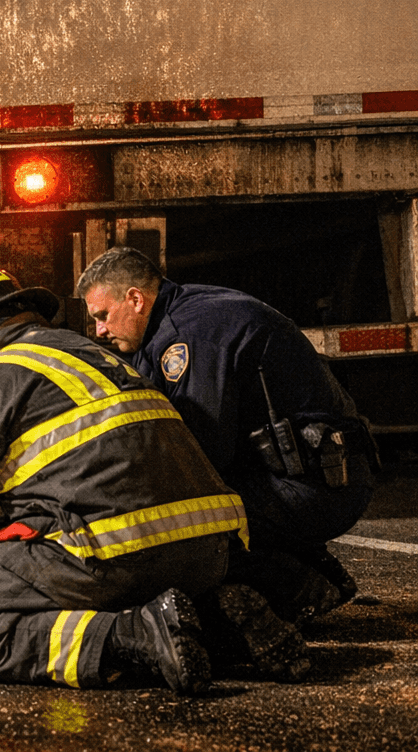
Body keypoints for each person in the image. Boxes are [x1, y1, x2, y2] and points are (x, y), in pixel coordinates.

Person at [0, 266, 253, 694]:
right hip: (209, 549)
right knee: (139, 585)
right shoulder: (98, 355)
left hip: (113, 552)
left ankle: (132, 636)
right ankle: (218, 623)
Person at [76, 246, 377, 623]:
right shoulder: (172, 321)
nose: (100, 330)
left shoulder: (189, 336)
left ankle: (295, 586)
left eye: (103, 316)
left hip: (317, 487)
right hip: (311, 475)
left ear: (135, 299)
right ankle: (302, 567)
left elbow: (199, 452)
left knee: (170, 528)